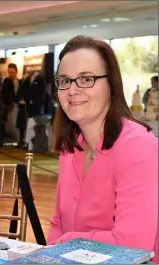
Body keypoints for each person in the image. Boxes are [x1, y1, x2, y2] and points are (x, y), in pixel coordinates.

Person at [48, 35, 158, 262]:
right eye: (65, 80)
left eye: (86, 79)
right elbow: (58, 224)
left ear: (112, 85)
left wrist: (69, 241)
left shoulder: (138, 145)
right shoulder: (71, 146)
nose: (72, 90)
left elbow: (133, 245)